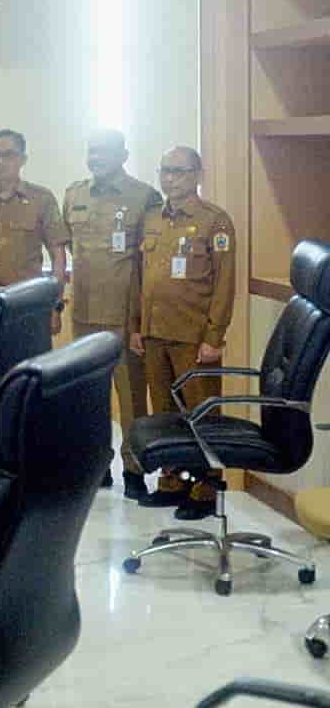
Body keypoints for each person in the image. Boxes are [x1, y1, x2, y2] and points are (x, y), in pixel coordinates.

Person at [131, 146, 236, 520]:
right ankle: (172, 481)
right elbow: (141, 279)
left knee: (200, 414)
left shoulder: (214, 222)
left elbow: (225, 283)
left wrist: (214, 336)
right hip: (154, 333)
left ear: (197, 175)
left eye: (178, 171)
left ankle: (204, 489)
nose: (169, 178)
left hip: (193, 337)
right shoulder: (152, 219)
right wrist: (136, 327)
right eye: (165, 170)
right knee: (164, 414)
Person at [63, 129, 163, 499]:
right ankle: (96, 467)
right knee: (88, 397)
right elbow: (74, 251)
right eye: (91, 151)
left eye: (104, 151)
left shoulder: (144, 197)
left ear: (123, 154)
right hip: (85, 314)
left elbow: (152, 258)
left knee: (132, 399)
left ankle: (134, 470)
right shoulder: (74, 194)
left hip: (124, 316)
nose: (96, 158)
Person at [0, 128, 69, 335]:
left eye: (9, 155)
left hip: (27, 300)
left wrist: (55, 306)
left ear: (22, 160)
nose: (0, 161)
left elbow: (58, 257)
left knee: (26, 356)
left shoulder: (42, 199)